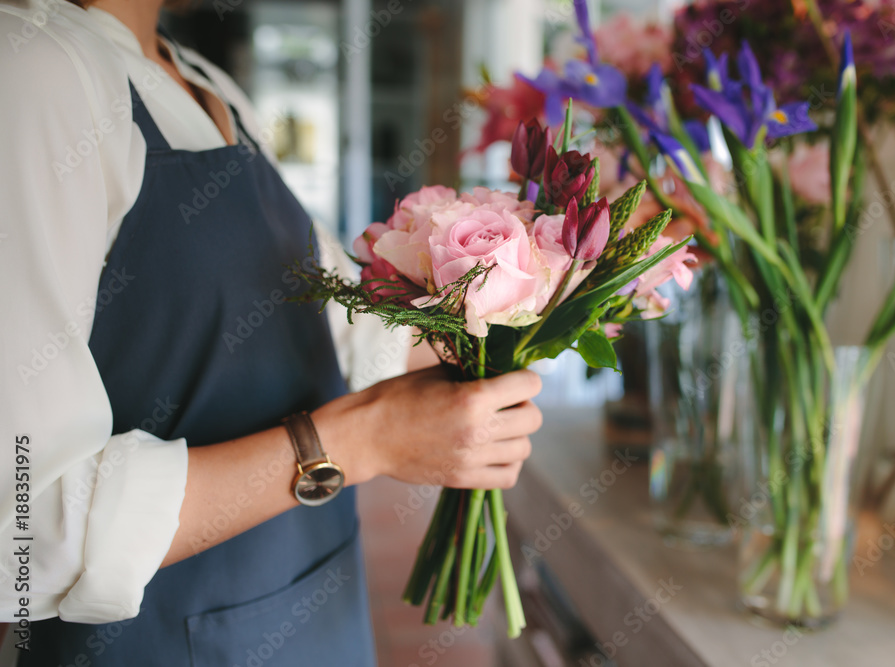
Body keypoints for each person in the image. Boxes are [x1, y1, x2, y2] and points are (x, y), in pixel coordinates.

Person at [0, 0, 542, 664]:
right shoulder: (30, 67)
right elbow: (21, 530)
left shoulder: (204, 83)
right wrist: (360, 439)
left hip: (315, 615)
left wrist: (549, 282)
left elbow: (339, 333)